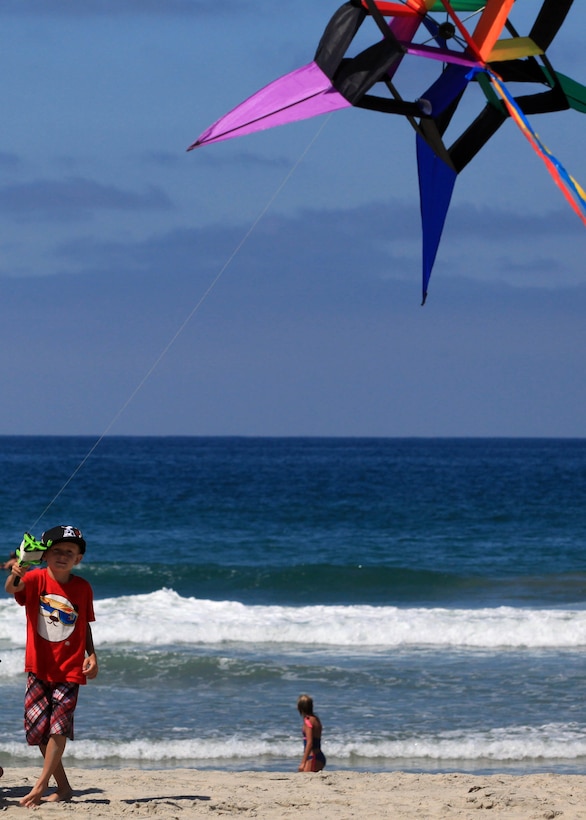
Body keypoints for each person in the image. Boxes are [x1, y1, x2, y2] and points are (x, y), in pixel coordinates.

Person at [4, 525, 98, 807]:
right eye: (56, 550)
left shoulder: (82, 587)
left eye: (69, 552)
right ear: (45, 555)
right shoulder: (34, 579)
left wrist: (91, 654)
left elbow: (84, 624)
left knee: (58, 728)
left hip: (69, 669)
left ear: (78, 559)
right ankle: (64, 787)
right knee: (38, 732)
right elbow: (12, 589)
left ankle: (41, 784)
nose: (62, 555)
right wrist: (16, 572)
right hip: (38, 667)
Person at [297, 694, 326, 772]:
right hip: (318, 755)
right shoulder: (316, 719)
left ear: (300, 708)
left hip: (313, 757)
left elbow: (310, 743)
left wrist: (303, 762)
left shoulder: (308, 721)